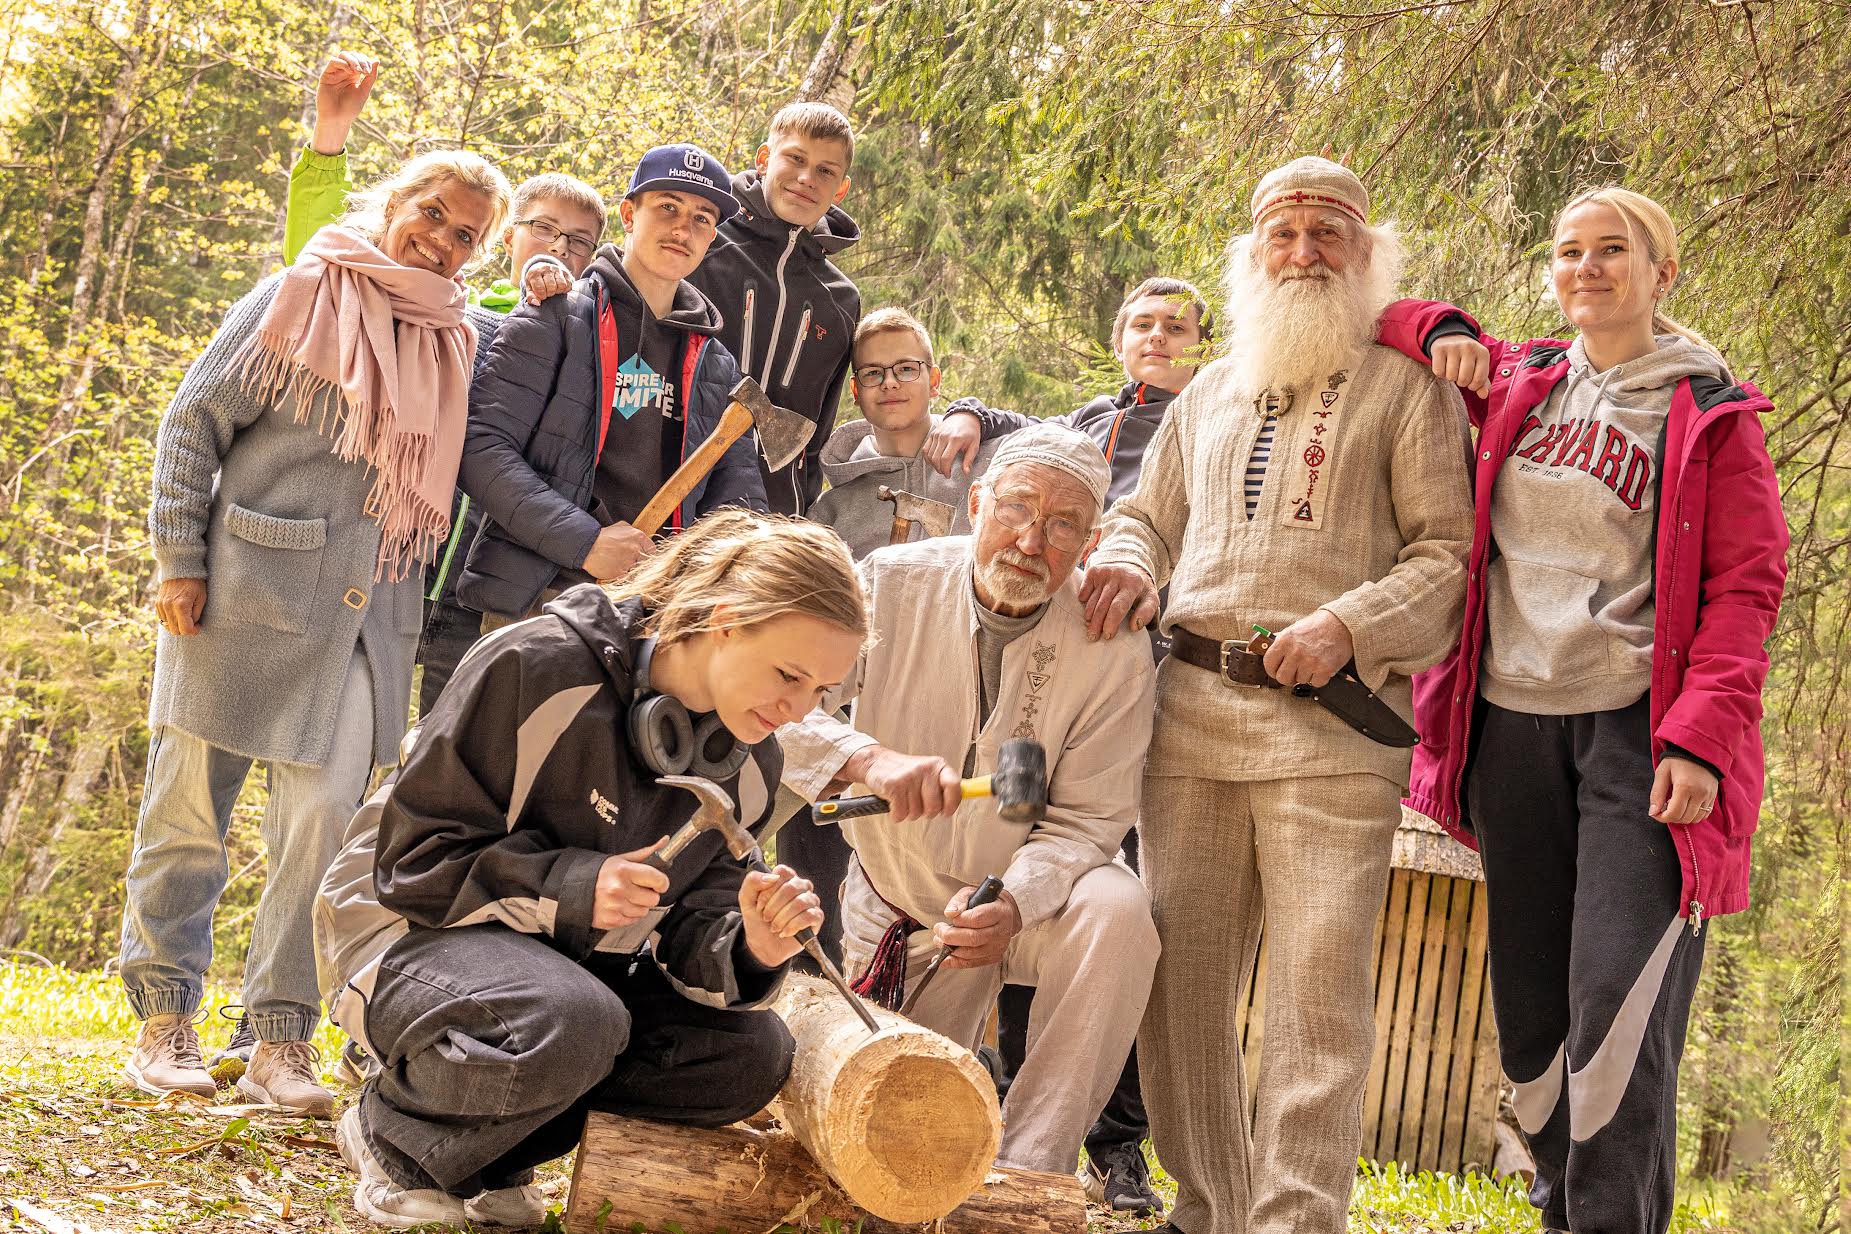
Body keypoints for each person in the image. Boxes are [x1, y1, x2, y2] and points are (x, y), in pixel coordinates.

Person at [1373, 186, 1788, 1234]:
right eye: (1569, 252)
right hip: (1511, 728)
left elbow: (1746, 592)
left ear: (1664, 273)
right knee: (1533, 1027)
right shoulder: (1522, 378)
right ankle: (1565, 1204)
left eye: (1615, 250)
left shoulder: (1710, 413)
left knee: (1617, 1010)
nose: (1588, 269)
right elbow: (1383, 314)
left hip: (1640, 738)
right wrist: (1452, 332)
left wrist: (1699, 737)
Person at [1080, 156, 1473, 1234]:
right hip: (1188, 724)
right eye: (1283, 235)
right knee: (1180, 991)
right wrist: (1125, 560)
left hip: (1332, 739)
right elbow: (1143, 518)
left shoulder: (1409, 390)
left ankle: (1297, 1222)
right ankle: (1207, 1208)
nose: (1304, 252)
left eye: (1328, 233)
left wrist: (1348, 624)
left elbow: (1447, 560)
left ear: (1367, 252)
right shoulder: (1206, 390)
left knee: (1318, 1000)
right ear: (1253, 253)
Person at [316, 510, 867, 1229]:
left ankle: (495, 1156)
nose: (798, 710)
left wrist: (750, 945)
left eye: (821, 693)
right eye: (789, 675)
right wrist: (573, 884)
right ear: (726, 621)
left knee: (747, 1057)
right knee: (574, 1019)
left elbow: (690, 932)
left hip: (561, 978)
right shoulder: (534, 665)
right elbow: (411, 864)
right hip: (402, 937)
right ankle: (398, 1140)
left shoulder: (750, 759)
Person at [119, 148, 513, 1116]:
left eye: (467, 234)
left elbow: (551, 334)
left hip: (369, 621)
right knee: (188, 816)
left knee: (327, 825)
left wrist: (547, 277)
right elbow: (190, 423)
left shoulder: (461, 338)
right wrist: (178, 556)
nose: (443, 239)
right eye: (433, 213)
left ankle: (280, 1034)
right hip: (239, 594)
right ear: (395, 201)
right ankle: (166, 1016)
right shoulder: (298, 294)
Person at [780, 423, 1159, 1175]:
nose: (1029, 541)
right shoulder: (888, 581)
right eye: (1016, 508)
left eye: (1060, 526)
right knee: (889, 1141)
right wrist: (866, 758)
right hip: (905, 908)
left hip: (1028, 908)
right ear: (975, 503)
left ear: (1088, 545)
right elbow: (779, 703)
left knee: (1118, 911)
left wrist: (1015, 902)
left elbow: (1088, 819)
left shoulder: (1111, 646)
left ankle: (1027, 1170)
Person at [923, 275, 1212, 1216]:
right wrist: (965, 407)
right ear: (1119, 336)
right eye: (1142, 322)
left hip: (1128, 678)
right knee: (999, 851)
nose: (1159, 336)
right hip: (1024, 688)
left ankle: (1107, 1144)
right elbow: (1024, 445)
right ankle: (974, 1100)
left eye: (1178, 325)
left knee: (1111, 912)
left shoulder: (1214, 418)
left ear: (1203, 343)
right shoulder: (1089, 423)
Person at [280, 49, 606, 717]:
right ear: (503, 236)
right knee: (338, 730)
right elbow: (321, 258)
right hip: (382, 564)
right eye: (543, 228)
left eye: (578, 242)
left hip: (475, 590)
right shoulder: (440, 309)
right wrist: (329, 141)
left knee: (434, 749)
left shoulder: (584, 349)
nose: (559, 248)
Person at [455, 144, 768, 629]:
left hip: (654, 614)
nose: (683, 229)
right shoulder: (554, 315)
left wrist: (689, 579)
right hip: (540, 601)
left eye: (703, 218)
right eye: (668, 207)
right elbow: (482, 448)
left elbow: (739, 505)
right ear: (628, 213)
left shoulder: (718, 367)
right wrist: (587, 542)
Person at [687, 101, 860, 515]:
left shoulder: (840, 299)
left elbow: (817, 434)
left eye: (825, 171)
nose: (806, 179)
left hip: (772, 515)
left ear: (841, 189)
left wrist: (798, 516)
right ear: (764, 159)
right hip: (681, 492)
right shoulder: (702, 243)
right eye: (796, 159)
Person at [806, 306, 998, 558]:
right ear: (855, 391)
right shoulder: (829, 514)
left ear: (934, 382)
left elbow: (1060, 432)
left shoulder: (989, 465)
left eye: (906, 368)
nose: (889, 382)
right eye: (873, 373)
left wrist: (975, 413)